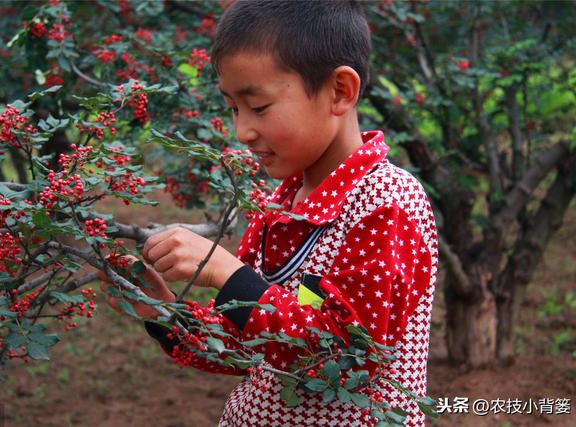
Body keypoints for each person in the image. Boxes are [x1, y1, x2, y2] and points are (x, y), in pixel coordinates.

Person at [100, 1, 438, 426]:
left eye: (258, 107)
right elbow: (255, 347)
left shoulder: (387, 202)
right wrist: (161, 310)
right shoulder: (277, 205)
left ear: (339, 91)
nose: (243, 131)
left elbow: (349, 360)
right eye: (233, 109)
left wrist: (229, 275)